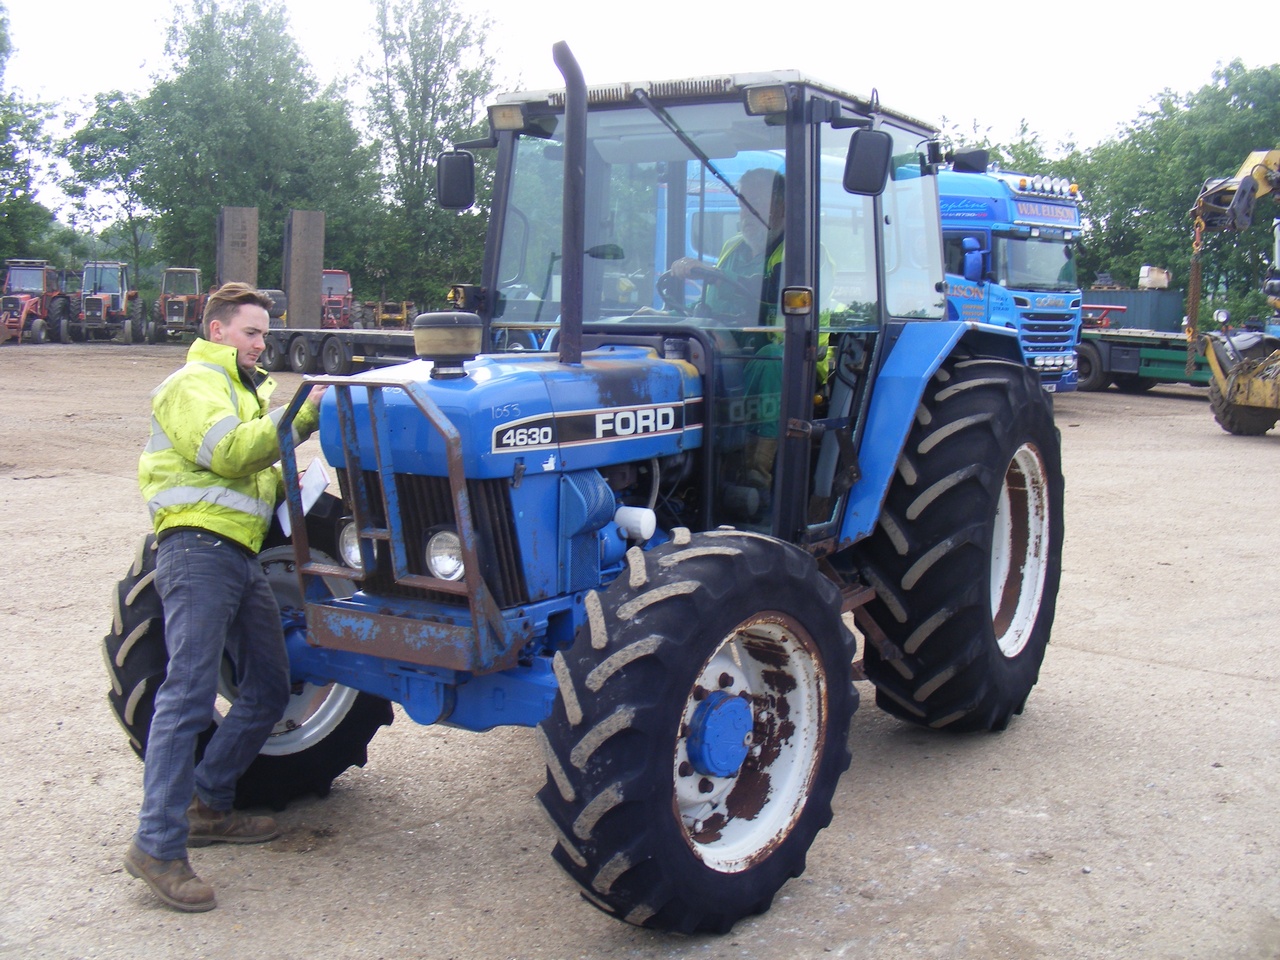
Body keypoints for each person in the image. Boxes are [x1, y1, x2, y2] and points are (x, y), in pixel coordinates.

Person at [124, 283, 326, 912]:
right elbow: (231, 454)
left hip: (237, 554)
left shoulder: (243, 391)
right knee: (185, 695)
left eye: (264, 334)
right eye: (252, 333)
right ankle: (157, 845)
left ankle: (208, 803)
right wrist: (303, 413)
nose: (262, 344)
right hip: (198, 550)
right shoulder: (194, 386)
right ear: (217, 332)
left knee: (269, 684)